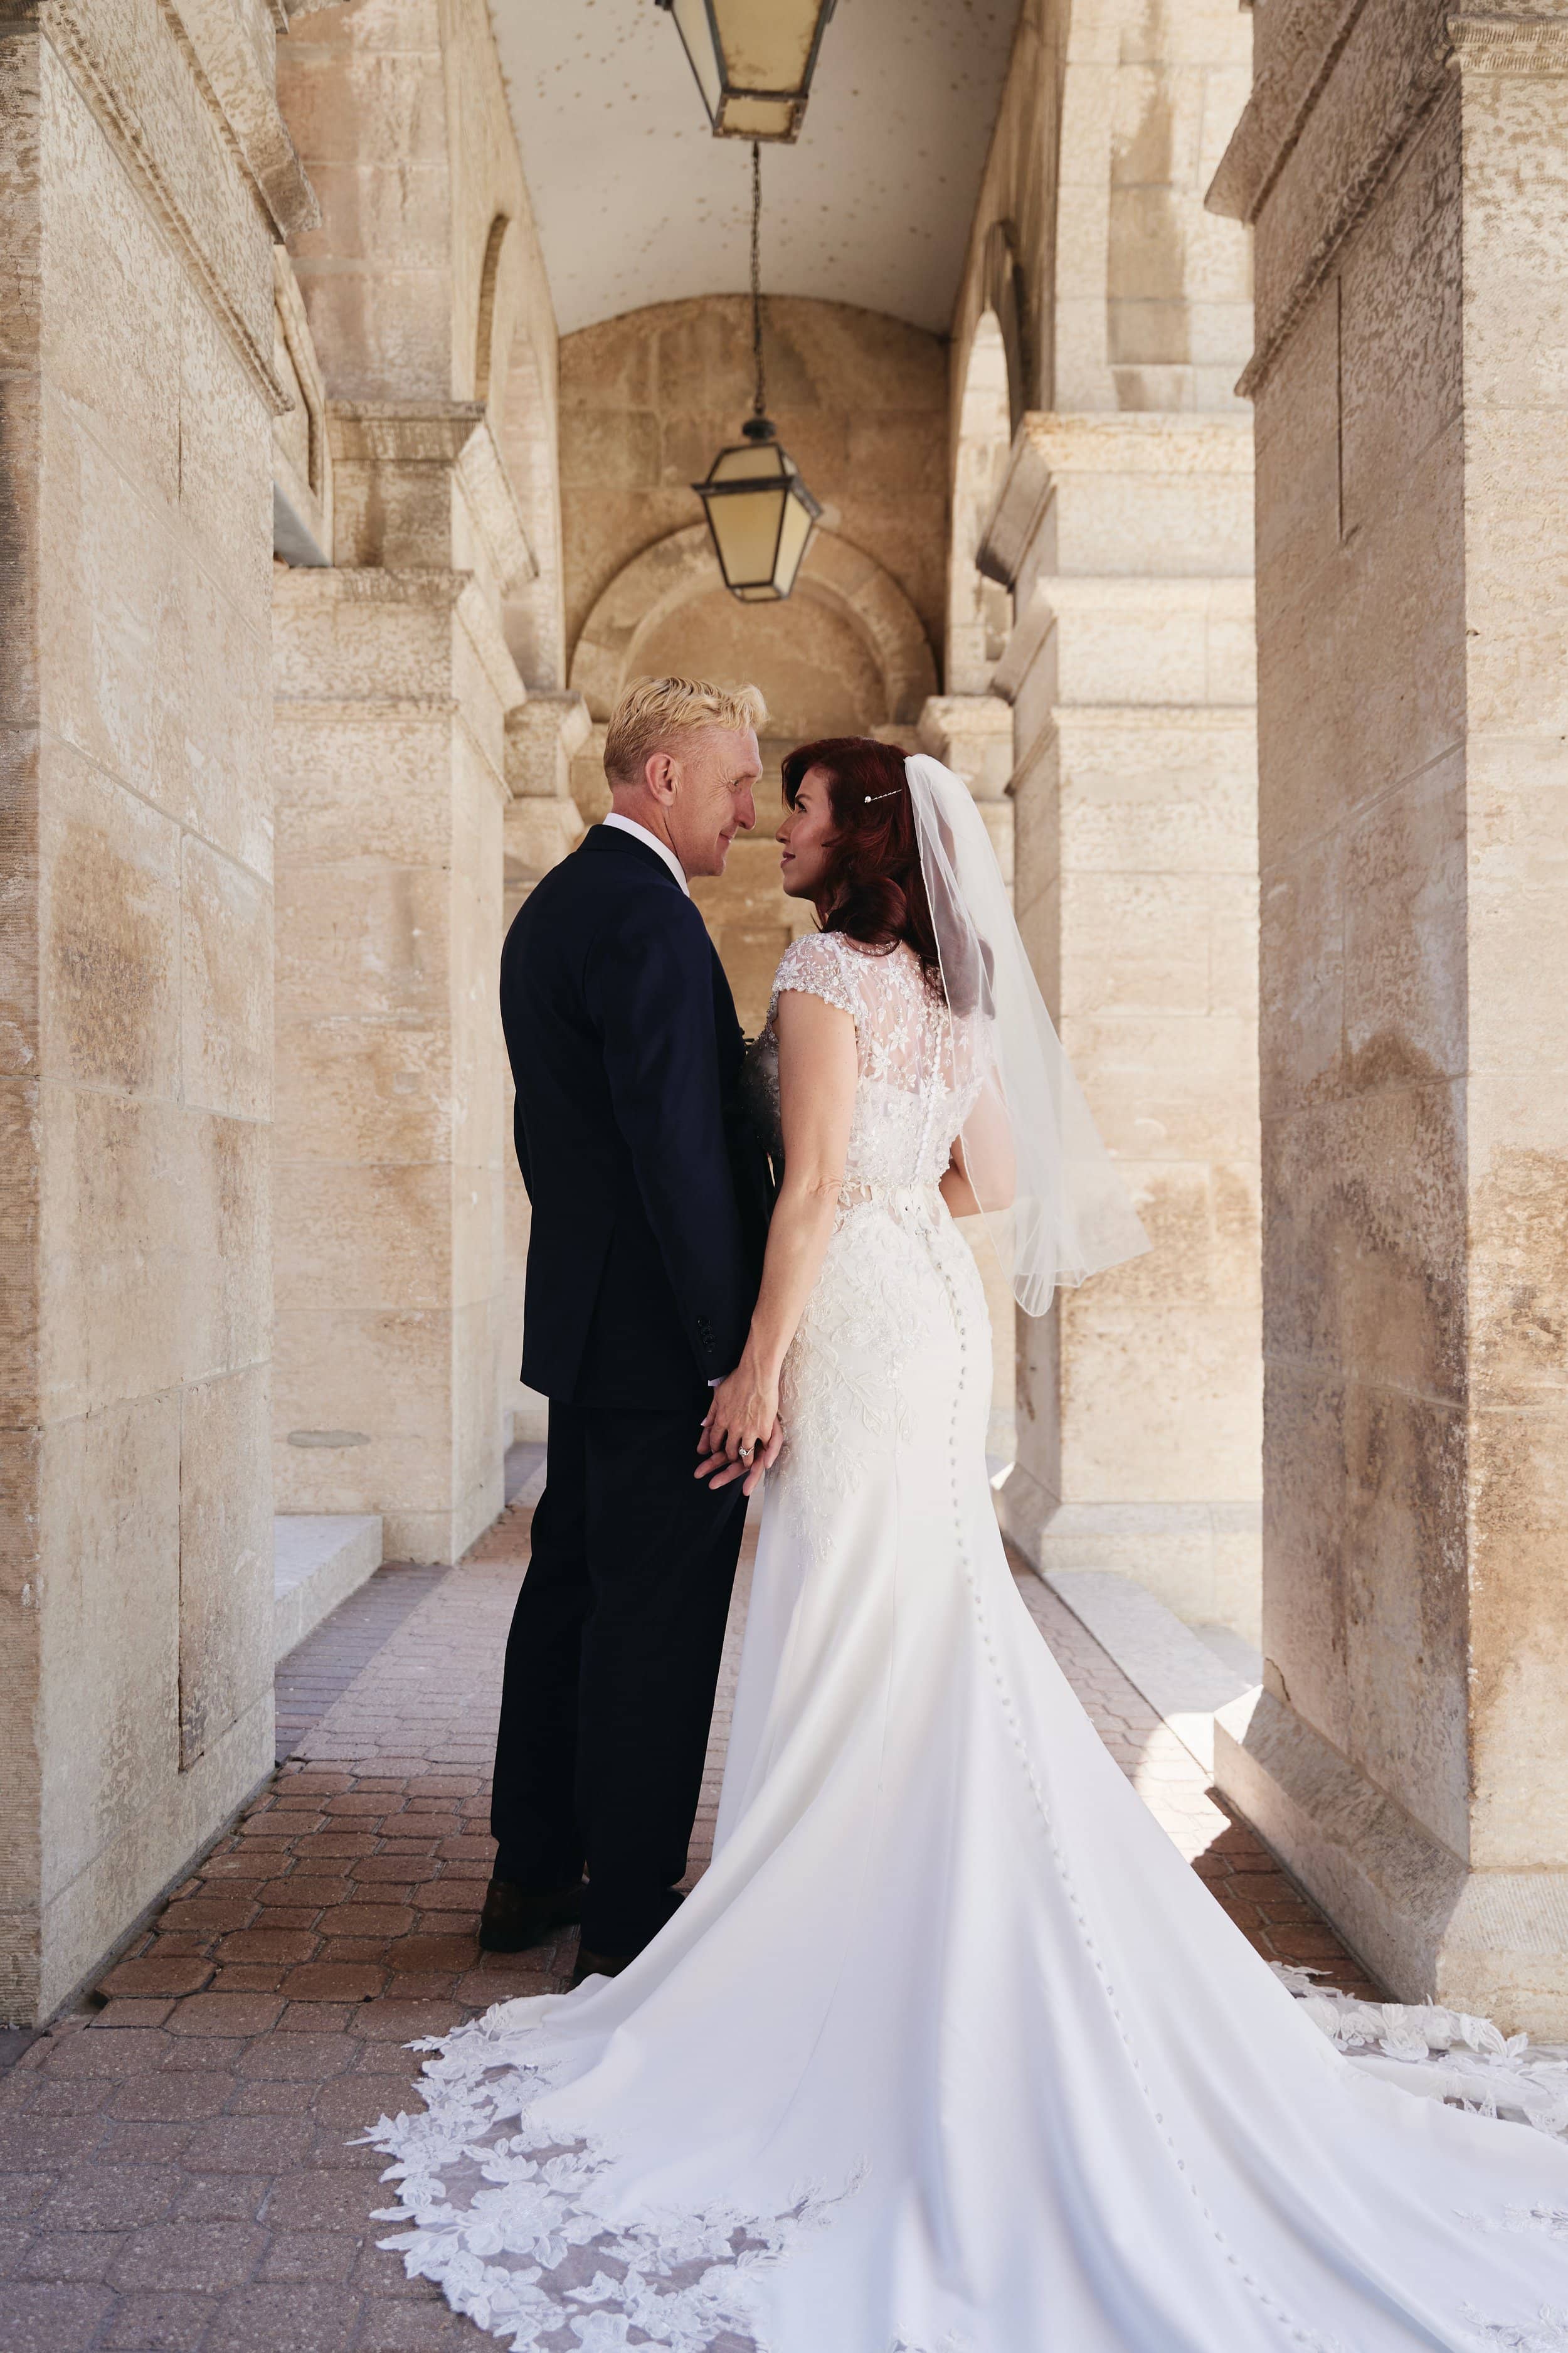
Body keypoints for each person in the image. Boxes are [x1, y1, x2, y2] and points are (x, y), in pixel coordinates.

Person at [374, 738, 1568, 2353]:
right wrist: (891, 1186)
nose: (778, 823)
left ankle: (831, 1911)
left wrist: (755, 1361)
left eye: (798, 803)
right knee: (928, 1611)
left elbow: (796, 1204)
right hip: (929, 1311)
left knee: (842, 1616)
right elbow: (989, 1178)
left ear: (854, 834)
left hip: (853, 1325)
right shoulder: (953, 981)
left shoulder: (813, 969)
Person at [482, 676, 775, 1985]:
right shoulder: (651, 923)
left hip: (591, 1322)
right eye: (734, 781)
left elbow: (553, 1136)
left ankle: (532, 1870)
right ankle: (624, 1914)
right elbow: (675, 1153)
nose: (749, 811)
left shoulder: (551, 911)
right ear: (661, 778)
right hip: (665, 1338)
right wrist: (731, 1351)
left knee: (571, 1592)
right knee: (652, 1618)